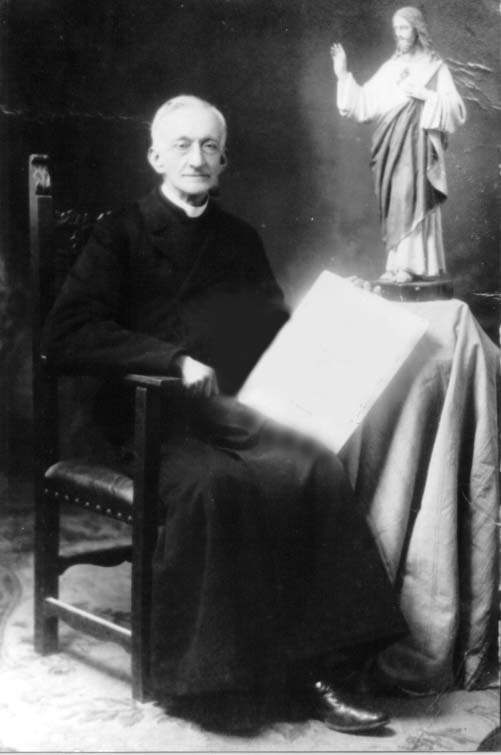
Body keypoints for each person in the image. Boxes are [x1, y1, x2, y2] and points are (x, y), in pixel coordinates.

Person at [42, 95, 407, 734]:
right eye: (182, 144)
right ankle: (216, 684)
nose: (196, 157)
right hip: (142, 420)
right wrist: (172, 360)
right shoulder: (120, 233)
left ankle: (321, 671)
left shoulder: (238, 237)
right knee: (216, 486)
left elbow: (274, 334)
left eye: (209, 146)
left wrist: (338, 315)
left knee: (313, 467)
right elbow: (68, 333)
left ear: (224, 161)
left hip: (225, 416)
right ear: (155, 156)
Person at [331, 6, 466, 283]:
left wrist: (426, 95)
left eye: (404, 28)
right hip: (391, 148)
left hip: (418, 149)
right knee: (396, 202)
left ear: (417, 29)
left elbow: (456, 109)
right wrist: (342, 74)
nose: (400, 34)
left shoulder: (435, 67)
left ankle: (412, 265)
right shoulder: (390, 68)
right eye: (396, 29)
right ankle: (395, 264)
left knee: (412, 197)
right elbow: (364, 103)